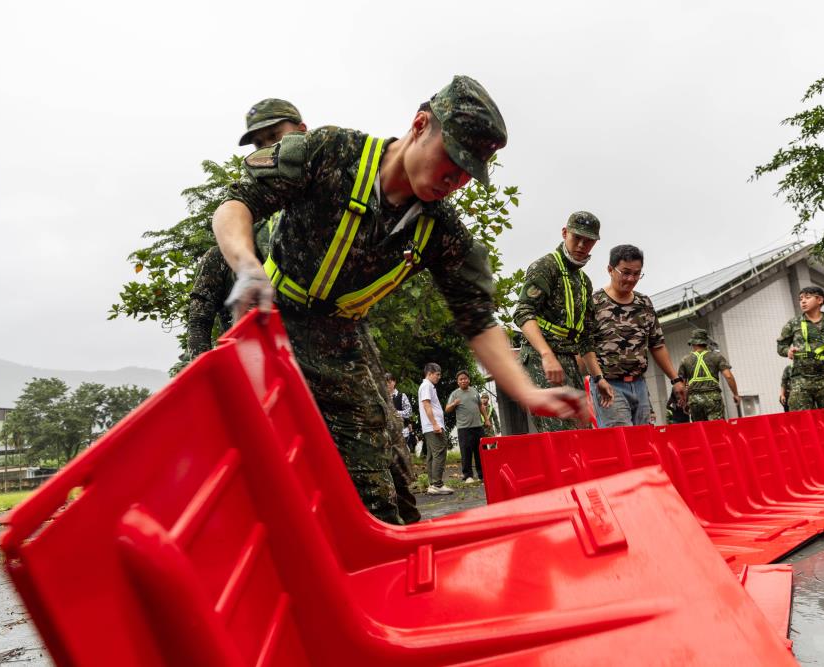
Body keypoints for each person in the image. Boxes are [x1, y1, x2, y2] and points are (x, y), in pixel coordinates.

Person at [213, 76, 584, 522]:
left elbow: (479, 320)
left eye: (468, 171)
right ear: (420, 124)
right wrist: (246, 265)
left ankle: (400, 556)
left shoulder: (440, 229)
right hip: (273, 319)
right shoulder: (331, 151)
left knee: (387, 477)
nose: (456, 179)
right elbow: (236, 203)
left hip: (342, 339)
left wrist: (527, 392)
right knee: (272, 472)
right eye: (451, 158)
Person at [186, 99, 307, 360]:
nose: (268, 148)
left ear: (302, 130)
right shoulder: (222, 256)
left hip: (311, 359)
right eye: (259, 144)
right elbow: (199, 317)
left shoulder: (317, 212)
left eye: (275, 136)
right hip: (249, 362)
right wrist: (204, 374)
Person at [513, 212, 614, 432]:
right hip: (542, 358)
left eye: (588, 241)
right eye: (576, 237)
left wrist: (599, 378)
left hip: (569, 360)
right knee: (558, 433)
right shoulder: (546, 266)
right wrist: (546, 355)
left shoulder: (583, 281)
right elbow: (523, 312)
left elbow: (585, 336)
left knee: (582, 429)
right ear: (564, 233)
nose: (580, 245)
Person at [591, 244, 687, 427]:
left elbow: (657, 345)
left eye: (637, 274)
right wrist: (598, 379)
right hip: (609, 386)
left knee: (644, 442)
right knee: (622, 442)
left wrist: (675, 380)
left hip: (639, 385)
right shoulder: (594, 303)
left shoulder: (644, 303)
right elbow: (585, 348)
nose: (631, 279)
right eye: (625, 273)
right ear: (610, 269)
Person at [676, 329, 741, 422]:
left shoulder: (685, 360)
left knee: (701, 431)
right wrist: (736, 394)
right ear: (705, 343)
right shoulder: (717, 357)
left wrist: (684, 400)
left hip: (695, 400)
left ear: (693, 343)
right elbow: (728, 376)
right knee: (717, 429)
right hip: (713, 399)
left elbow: (681, 385)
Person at [384, 372, 421, 523]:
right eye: (385, 382)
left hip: (402, 434)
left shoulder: (401, 396)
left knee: (402, 465)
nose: (387, 384)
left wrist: (393, 413)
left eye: (389, 381)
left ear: (394, 382)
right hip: (387, 436)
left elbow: (408, 412)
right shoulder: (382, 397)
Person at [445, 370, 484, 483]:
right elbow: (447, 409)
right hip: (464, 428)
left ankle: (482, 474)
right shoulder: (455, 394)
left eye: (465, 378)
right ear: (458, 382)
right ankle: (468, 476)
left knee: (480, 451)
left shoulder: (474, 392)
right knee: (466, 452)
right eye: (461, 379)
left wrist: (486, 419)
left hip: (478, 426)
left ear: (469, 380)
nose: (463, 381)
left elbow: (481, 406)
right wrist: (454, 404)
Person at [419, 363, 452, 494]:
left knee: (433, 455)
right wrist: (434, 424)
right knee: (440, 451)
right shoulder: (426, 385)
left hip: (430, 426)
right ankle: (437, 485)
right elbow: (426, 405)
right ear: (430, 373)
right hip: (433, 426)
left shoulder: (427, 386)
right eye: (437, 374)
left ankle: (433, 484)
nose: (439, 377)